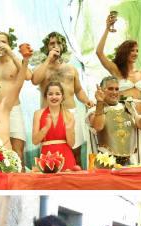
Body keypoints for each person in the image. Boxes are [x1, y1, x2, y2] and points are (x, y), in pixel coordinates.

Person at [96, 15, 141, 160]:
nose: (135, 53)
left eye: (137, 51)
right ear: (124, 52)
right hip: (125, 118)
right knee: (131, 155)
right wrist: (107, 29)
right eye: (132, 50)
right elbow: (99, 53)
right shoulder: (116, 70)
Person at [32, 32, 94, 165]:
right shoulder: (42, 68)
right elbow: (35, 80)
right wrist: (48, 60)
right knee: (50, 153)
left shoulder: (71, 69)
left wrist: (86, 100)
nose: (56, 46)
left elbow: (78, 90)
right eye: (52, 43)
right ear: (46, 47)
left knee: (75, 151)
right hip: (50, 115)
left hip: (70, 113)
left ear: (63, 46)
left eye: (59, 43)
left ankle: (78, 183)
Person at [0, 31, 33, 163]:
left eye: (3, 42)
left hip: (14, 108)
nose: (0, 45)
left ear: (10, 44)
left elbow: (27, 76)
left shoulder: (15, 62)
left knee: (18, 151)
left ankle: (21, 181)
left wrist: (11, 53)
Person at [88, 76, 141, 165]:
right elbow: (98, 127)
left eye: (117, 89)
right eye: (110, 89)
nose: (114, 92)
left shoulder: (128, 107)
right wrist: (100, 102)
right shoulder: (94, 110)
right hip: (106, 163)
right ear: (102, 90)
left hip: (130, 161)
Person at [32, 81, 76, 170]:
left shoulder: (69, 115)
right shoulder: (38, 114)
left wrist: (68, 130)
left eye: (57, 94)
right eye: (50, 94)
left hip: (66, 157)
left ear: (62, 96)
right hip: (46, 158)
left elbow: (71, 144)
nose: (54, 97)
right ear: (46, 96)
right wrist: (46, 128)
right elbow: (35, 141)